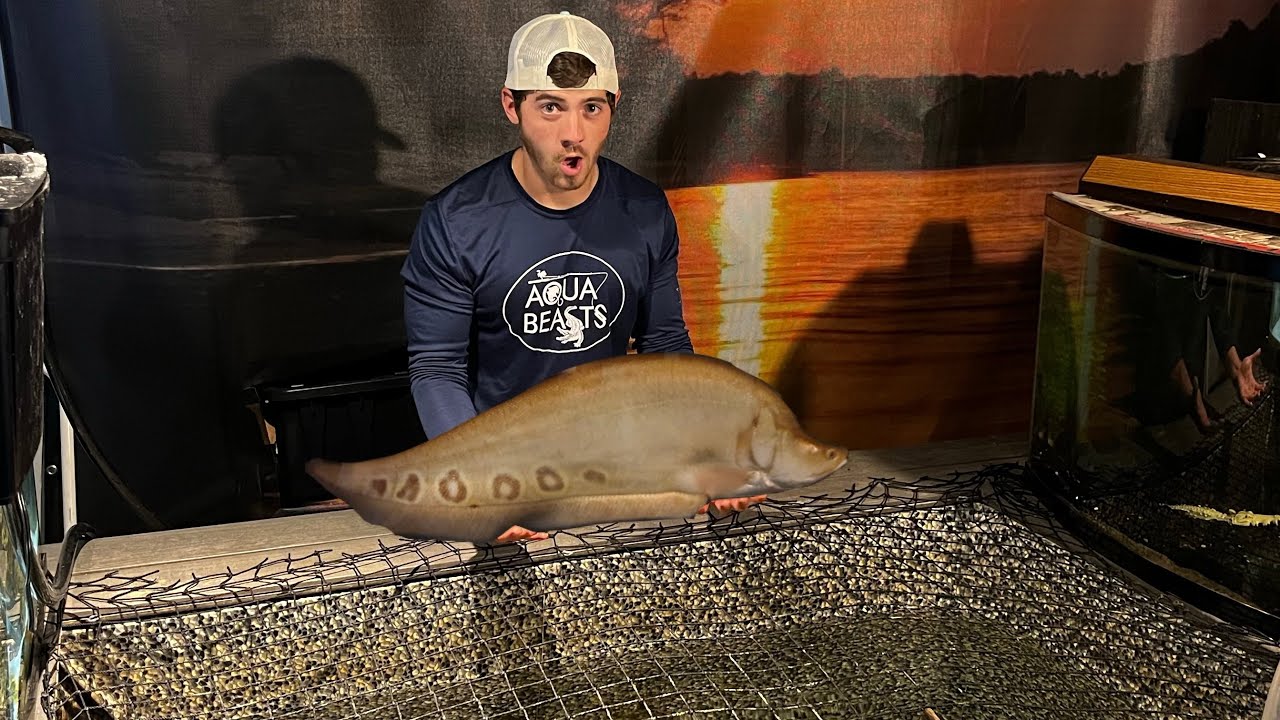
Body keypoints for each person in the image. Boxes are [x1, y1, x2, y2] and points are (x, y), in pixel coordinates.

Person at [401, 12, 762, 541]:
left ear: (612, 108)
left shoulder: (643, 209)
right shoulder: (457, 221)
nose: (573, 134)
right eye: (551, 107)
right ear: (511, 106)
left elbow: (664, 345)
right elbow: (438, 369)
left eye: (591, 108)